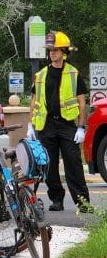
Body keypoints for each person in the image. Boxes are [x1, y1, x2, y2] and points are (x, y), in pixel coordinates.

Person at [28, 31, 92, 213]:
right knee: (49, 165)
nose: (52, 53)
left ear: (64, 52)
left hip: (67, 126)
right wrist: (30, 125)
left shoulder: (73, 73)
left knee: (74, 164)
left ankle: (83, 203)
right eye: (50, 50)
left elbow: (81, 101)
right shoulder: (40, 75)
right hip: (46, 126)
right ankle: (57, 199)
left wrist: (81, 127)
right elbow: (34, 100)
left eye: (55, 50)